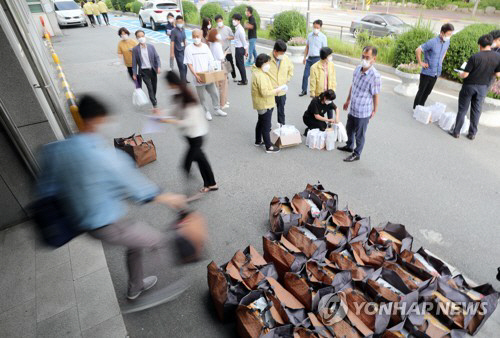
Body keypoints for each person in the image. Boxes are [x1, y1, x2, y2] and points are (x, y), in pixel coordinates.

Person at [35, 95, 187, 300]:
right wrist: (170, 198)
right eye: (105, 119)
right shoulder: (104, 157)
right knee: (156, 240)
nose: (107, 124)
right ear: (95, 120)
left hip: (80, 221)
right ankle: (163, 292)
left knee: (135, 244)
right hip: (106, 224)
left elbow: (47, 189)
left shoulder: (55, 150)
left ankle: (136, 286)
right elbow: (139, 189)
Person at [160, 71, 218, 193]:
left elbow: (189, 122)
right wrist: (161, 113)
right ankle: (211, 184)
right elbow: (174, 111)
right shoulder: (178, 94)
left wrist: (169, 121)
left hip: (197, 135)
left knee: (185, 165)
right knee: (201, 160)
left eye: (168, 84)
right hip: (190, 136)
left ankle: (191, 192)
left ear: (172, 83)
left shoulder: (187, 97)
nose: (167, 87)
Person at [450, 34, 500, 140]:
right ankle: (472, 133)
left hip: (469, 86)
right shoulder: (497, 57)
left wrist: (459, 74)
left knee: (463, 109)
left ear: (480, 45)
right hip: (483, 88)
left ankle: (456, 132)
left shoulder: (475, 57)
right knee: (476, 111)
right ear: (490, 44)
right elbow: (498, 74)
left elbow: (465, 75)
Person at [338, 46, 381, 162]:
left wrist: (375, 110)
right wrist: (348, 100)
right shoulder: (357, 69)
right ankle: (349, 146)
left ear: (374, 59)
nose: (364, 59)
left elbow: (376, 95)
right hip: (353, 108)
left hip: (363, 111)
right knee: (349, 129)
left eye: (367, 57)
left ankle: (357, 153)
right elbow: (353, 85)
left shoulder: (375, 76)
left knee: (360, 135)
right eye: (363, 56)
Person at [184, 29, 227, 121]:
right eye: (194, 36)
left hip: (208, 75)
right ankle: (206, 111)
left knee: (214, 93)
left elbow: (211, 61)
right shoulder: (188, 48)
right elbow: (189, 64)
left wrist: (213, 72)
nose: (196, 38)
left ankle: (217, 109)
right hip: (198, 76)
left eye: (197, 36)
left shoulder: (205, 47)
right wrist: (196, 75)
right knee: (202, 96)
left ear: (201, 36)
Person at [413, 23, 454, 109]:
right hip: (427, 72)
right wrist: (421, 62)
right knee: (421, 91)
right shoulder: (432, 42)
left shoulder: (447, 41)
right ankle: (415, 108)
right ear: (442, 33)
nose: (449, 36)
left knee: (427, 92)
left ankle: (421, 108)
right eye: (448, 34)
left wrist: (440, 62)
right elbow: (418, 50)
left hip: (436, 72)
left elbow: (445, 50)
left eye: (451, 34)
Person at [252, 54, 282, 154]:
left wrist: (273, 88)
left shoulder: (257, 72)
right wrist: (276, 90)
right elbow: (264, 93)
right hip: (265, 104)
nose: (269, 65)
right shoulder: (260, 75)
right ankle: (268, 146)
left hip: (261, 104)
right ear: (263, 64)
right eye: (268, 63)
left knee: (260, 122)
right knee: (266, 125)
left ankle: (258, 140)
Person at [132, 30, 161, 108]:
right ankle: (154, 103)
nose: (141, 38)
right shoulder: (135, 49)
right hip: (143, 72)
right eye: (139, 36)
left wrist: (158, 67)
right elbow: (134, 63)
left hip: (152, 70)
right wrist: (134, 73)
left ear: (144, 36)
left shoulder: (151, 46)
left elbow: (157, 58)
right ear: (136, 38)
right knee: (150, 87)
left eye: (142, 36)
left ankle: (153, 97)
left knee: (154, 87)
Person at [267, 40, 294, 125]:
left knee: (281, 111)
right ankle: (267, 129)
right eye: (281, 53)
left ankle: (282, 129)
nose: (282, 55)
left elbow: (291, 70)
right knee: (268, 112)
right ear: (275, 51)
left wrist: (287, 80)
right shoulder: (267, 58)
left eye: (283, 53)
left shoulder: (285, 58)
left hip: (282, 91)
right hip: (271, 91)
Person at [300, 20, 328, 96]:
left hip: (318, 59)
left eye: (317, 27)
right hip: (309, 58)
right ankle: (304, 90)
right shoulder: (309, 35)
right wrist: (304, 57)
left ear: (320, 28)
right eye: (314, 27)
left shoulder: (323, 37)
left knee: (317, 77)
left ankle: (317, 92)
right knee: (305, 75)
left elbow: (325, 50)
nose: (315, 28)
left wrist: (325, 61)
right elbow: (307, 47)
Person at [309, 47, 337, 116]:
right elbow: (312, 82)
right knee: (320, 111)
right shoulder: (314, 67)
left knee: (330, 109)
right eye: (330, 55)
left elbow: (333, 78)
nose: (331, 57)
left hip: (329, 92)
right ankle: (320, 125)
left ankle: (330, 123)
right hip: (319, 94)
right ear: (325, 56)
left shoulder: (331, 65)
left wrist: (333, 90)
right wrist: (313, 94)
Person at [207, 29, 229, 109]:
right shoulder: (217, 45)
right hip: (221, 65)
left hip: (215, 66)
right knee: (223, 86)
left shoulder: (211, 44)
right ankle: (222, 104)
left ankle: (223, 102)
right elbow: (221, 57)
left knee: (219, 85)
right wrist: (226, 52)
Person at [216, 14, 236, 82]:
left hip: (227, 49)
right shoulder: (216, 30)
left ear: (222, 20)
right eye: (218, 21)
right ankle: (226, 77)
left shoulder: (227, 28)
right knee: (223, 64)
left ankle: (234, 76)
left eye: (220, 21)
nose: (219, 22)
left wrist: (228, 37)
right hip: (220, 50)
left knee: (230, 63)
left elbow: (233, 37)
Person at [232, 13, 248, 85]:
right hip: (238, 48)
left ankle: (244, 80)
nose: (233, 21)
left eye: (235, 20)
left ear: (239, 21)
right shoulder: (237, 28)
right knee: (238, 64)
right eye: (233, 19)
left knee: (240, 65)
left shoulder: (240, 30)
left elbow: (244, 41)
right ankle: (243, 79)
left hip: (240, 49)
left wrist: (246, 51)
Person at [170, 15, 187, 81]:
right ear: (176, 22)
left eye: (181, 21)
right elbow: (172, 42)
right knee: (182, 66)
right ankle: (183, 81)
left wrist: (187, 48)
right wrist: (172, 53)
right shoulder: (173, 31)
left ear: (183, 21)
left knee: (185, 65)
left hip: (184, 50)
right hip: (178, 51)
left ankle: (185, 78)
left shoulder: (183, 29)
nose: (180, 23)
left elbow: (184, 39)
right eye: (178, 22)